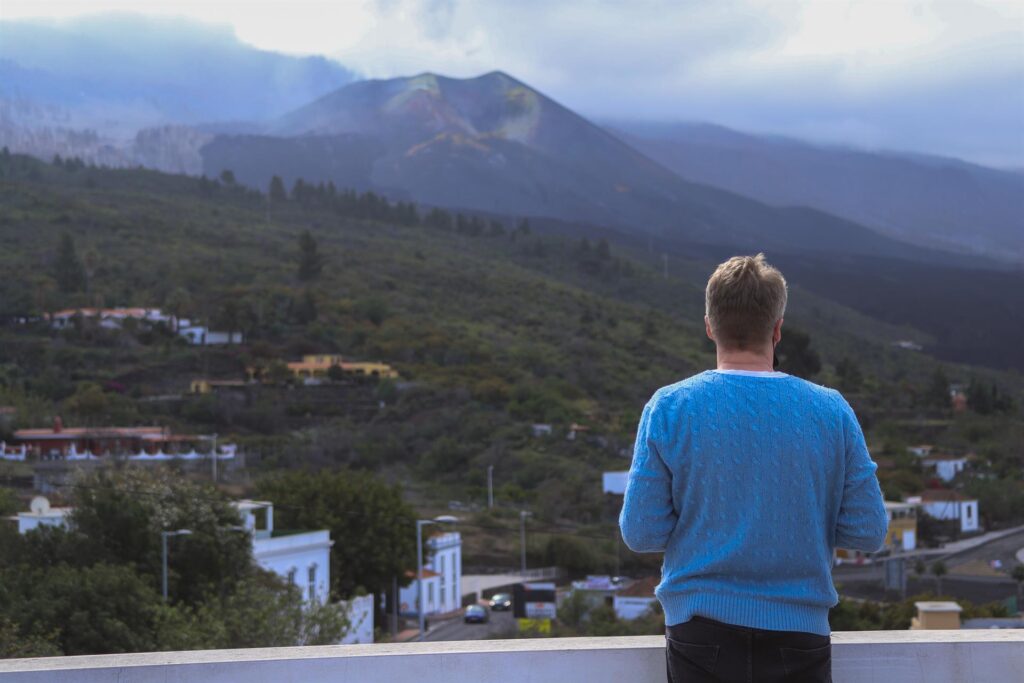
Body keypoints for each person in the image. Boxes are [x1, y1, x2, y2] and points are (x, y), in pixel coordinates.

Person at [619, 254, 887, 683]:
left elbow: (641, 532)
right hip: (799, 637)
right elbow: (868, 532)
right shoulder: (831, 410)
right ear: (777, 329)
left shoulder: (669, 407)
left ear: (710, 326)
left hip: (698, 636)